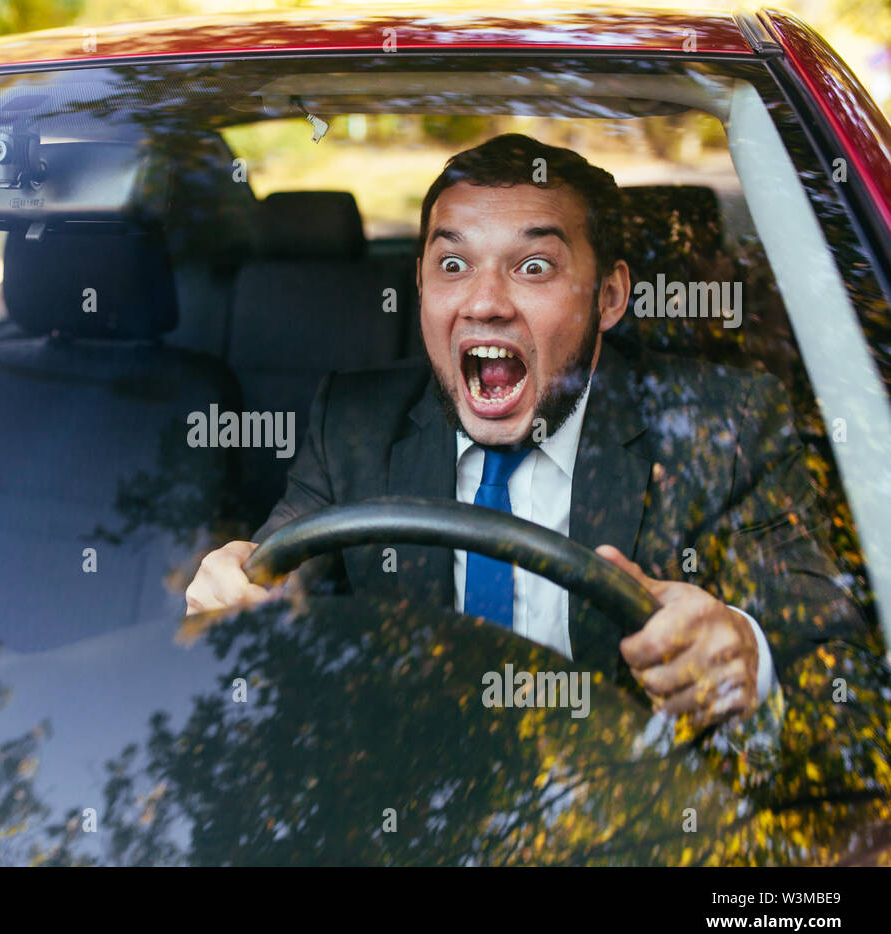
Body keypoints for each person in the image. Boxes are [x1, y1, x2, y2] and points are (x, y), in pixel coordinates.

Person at [185, 133, 869, 733]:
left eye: (533, 267)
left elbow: (842, 674)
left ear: (608, 296)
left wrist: (747, 654)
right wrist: (231, 594)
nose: (484, 302)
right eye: (453, 265)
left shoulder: (729, 424)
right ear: (421, 289)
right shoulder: (353, 422)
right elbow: (275, 588)